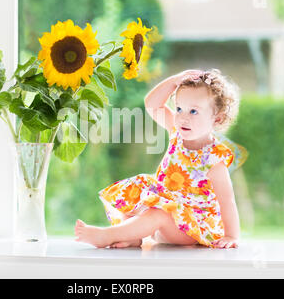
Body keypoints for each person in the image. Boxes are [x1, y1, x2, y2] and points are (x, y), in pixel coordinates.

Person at [74, 69, 243, 249]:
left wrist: (231, 235)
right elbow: (152, 105)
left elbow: (227, 200)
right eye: (179, 108)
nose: (183, 117)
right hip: (162, 210)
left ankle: (107, 235)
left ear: (217, 119)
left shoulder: (214, 159)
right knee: (137, 192)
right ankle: (131, 236)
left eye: (193, 111)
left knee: (159, 213)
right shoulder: (176, 132)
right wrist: (174, 81)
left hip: (189, 227)